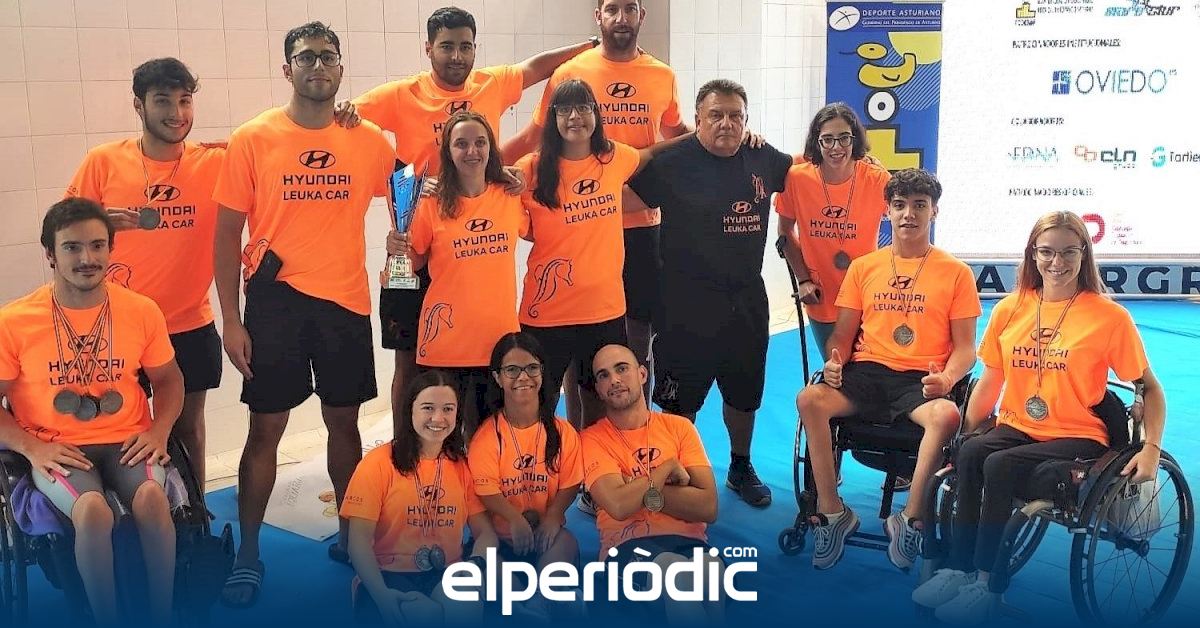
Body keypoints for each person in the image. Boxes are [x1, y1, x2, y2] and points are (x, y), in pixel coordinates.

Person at [212, 22, 395, 606]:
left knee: (345, 425)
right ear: (287, 68)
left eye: (327, 56)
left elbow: (414, 196)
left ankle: (349, 537)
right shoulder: (253, 138)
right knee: (265, 429)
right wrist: (231, 319)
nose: (318, 65)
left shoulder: (369, 140)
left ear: (340, 68)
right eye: (306, 56)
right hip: (275, 304)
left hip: (345, 302)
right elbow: (226, 235)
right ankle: (247, 553)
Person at [349, 5, 599, 432]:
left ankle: (479, 449)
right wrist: (405, 181)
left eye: (465, 46)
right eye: (446, 46)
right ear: (428, 48)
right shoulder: (401, 94)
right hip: (416, 244)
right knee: (411, 363)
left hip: (465, 256)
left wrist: (588, 45)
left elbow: (535, 68)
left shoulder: (491, 84)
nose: (456, 56)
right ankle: (408, 447)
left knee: (476, 366)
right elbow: (347, 123)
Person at [913, 210, 1166, 624]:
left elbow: (1150, 389)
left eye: (1068, 252)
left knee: (999, 464)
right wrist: (967, 433)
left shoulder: (1109, 317)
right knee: (972, 453)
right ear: (1033, 254)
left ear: (1084, 254)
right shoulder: (1011, 308)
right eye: (1046, 251)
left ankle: (986, 582)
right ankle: (958, 569)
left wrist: (1151, 448)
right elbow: (991, 382)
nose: (1056, 262)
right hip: (1019, 426)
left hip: (1079, 433)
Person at [0, 199, 184, 626]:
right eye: (72, 247)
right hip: (56, 446)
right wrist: (31, 448)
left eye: (98, 245)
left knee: (153, 500)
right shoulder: (14, 321)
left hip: (128, 438)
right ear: (50, 254)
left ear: (111, 249)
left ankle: (161, 615)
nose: (87, 258)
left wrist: (159, 430)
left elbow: (169, 380)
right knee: (93, 512)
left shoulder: (140, 310)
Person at [504, 0, 692, 406]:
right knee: (578, 346)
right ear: (598, 16)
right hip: (575, 231)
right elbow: (534, 136)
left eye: (630, 9)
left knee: (632, 342)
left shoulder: (662, 75)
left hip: (639, 227)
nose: (621, 18)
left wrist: (726, 139)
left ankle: (632, 424)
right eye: (612, 9)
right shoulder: (571, 73)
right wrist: (478, 171)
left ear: (642, 15)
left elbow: (675, 137)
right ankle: (578, 432)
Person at [795, 168, 981, 571]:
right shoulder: (864, 267)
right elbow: (842, 336)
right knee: (810, 399)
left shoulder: (956, 273)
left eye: (919, 205)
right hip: (868, 373)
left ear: (934, 211)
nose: (908, 214)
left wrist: (948, 378)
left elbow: (967, 348)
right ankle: (832, 512)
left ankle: (910, 518)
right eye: (899, 205)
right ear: (888, 211)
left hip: (921, 379)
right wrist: (834, 361)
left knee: (947, 415)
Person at [627, 79, 791, 508]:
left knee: (745, 393)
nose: (726, 124)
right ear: (698, 119)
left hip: (746, 299)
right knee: (679, 398)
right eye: (716, 115)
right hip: (685, 302)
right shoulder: (673, 163)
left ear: (747, 120)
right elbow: (617, 196)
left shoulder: (763, 158)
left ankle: (740, 465)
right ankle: (677, 467)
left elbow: (809, 174)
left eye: (736, 116)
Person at [64, 58, 224, 486]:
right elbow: (60, 231)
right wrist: (98, 222)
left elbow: (277, 149)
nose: (177, 113)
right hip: (117, 325)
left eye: (185, 101)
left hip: (189, 323)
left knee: (188, 428)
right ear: (139, 105)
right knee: (119, 431)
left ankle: (194, 509)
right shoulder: (103, 161)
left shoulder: (214, 162)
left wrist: (343, 116)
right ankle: (135, 507)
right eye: (163, 101)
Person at [515, 78, 684, 430]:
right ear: (552, 118)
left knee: (599, 405)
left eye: (583, 107)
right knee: (537, 407)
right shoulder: (531, 169)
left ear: (596, 114)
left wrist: (701, 138)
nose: (575, 117)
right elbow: (506, 212)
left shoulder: (613, 157)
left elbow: (653, 153)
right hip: (547, 312)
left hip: (603, 310)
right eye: (565, 109)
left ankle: (592, 464)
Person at [775, 103, 908, 493]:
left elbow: (905, 221)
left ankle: (892, 454)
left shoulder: (876, 178)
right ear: (816, 142)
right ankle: (829, 458)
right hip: (822, 295)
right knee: (838, 375)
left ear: (856, 140)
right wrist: (803, 278)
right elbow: (785, 233)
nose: (836, 147)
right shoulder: (798, 177)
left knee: (876, 372)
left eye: (844, 138)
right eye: (827, 139)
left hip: (868, 297)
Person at [385, 111, 527, 437]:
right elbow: (413, 263)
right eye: (461, 144)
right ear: (448, 151)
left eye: (480, 142)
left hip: (498, 341)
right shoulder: (431, 203)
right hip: (445, 344)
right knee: (443, 442)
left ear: (491, 147)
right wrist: (396, 248)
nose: (472, 151)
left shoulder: (508, 196)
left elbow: (538, 226)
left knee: (488, 440)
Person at [582, 343, 723, 624]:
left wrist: (634, 486)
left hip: (689, 542)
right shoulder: (591, 439)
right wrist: (666, 469)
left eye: (622, 368)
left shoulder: (679, 427)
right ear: (598, 389)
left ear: (642, 374)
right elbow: (619, 506)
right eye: (603, 375)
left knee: (711, 568)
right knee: (672, 569)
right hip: (626, 547)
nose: (614, 380)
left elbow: (707, 507)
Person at [343, 369, 495, 626]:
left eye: (448, 409)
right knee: (425, 615)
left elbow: (486, 533)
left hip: (446, 572)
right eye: (428, 408)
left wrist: (474, 566)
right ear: (410, 411)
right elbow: (357, 542)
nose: (438, 418)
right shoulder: (378, 463)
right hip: (388, 574)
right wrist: (382, 596)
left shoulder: (461, 466)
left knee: (466, 609)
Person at [467, 332, 583, 618]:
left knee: (566, 544)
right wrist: (514, 519)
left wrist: (554, 516)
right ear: (497, 378)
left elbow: (570, 483)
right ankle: (526, 603)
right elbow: (485, 490)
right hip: (502, 542)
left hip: (545, 537)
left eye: (532, 368)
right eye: (512, 370)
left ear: (542, 372)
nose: (523, 377)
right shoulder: (486, 438)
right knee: (491, 575)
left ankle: (543, 600)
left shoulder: (562, 431)